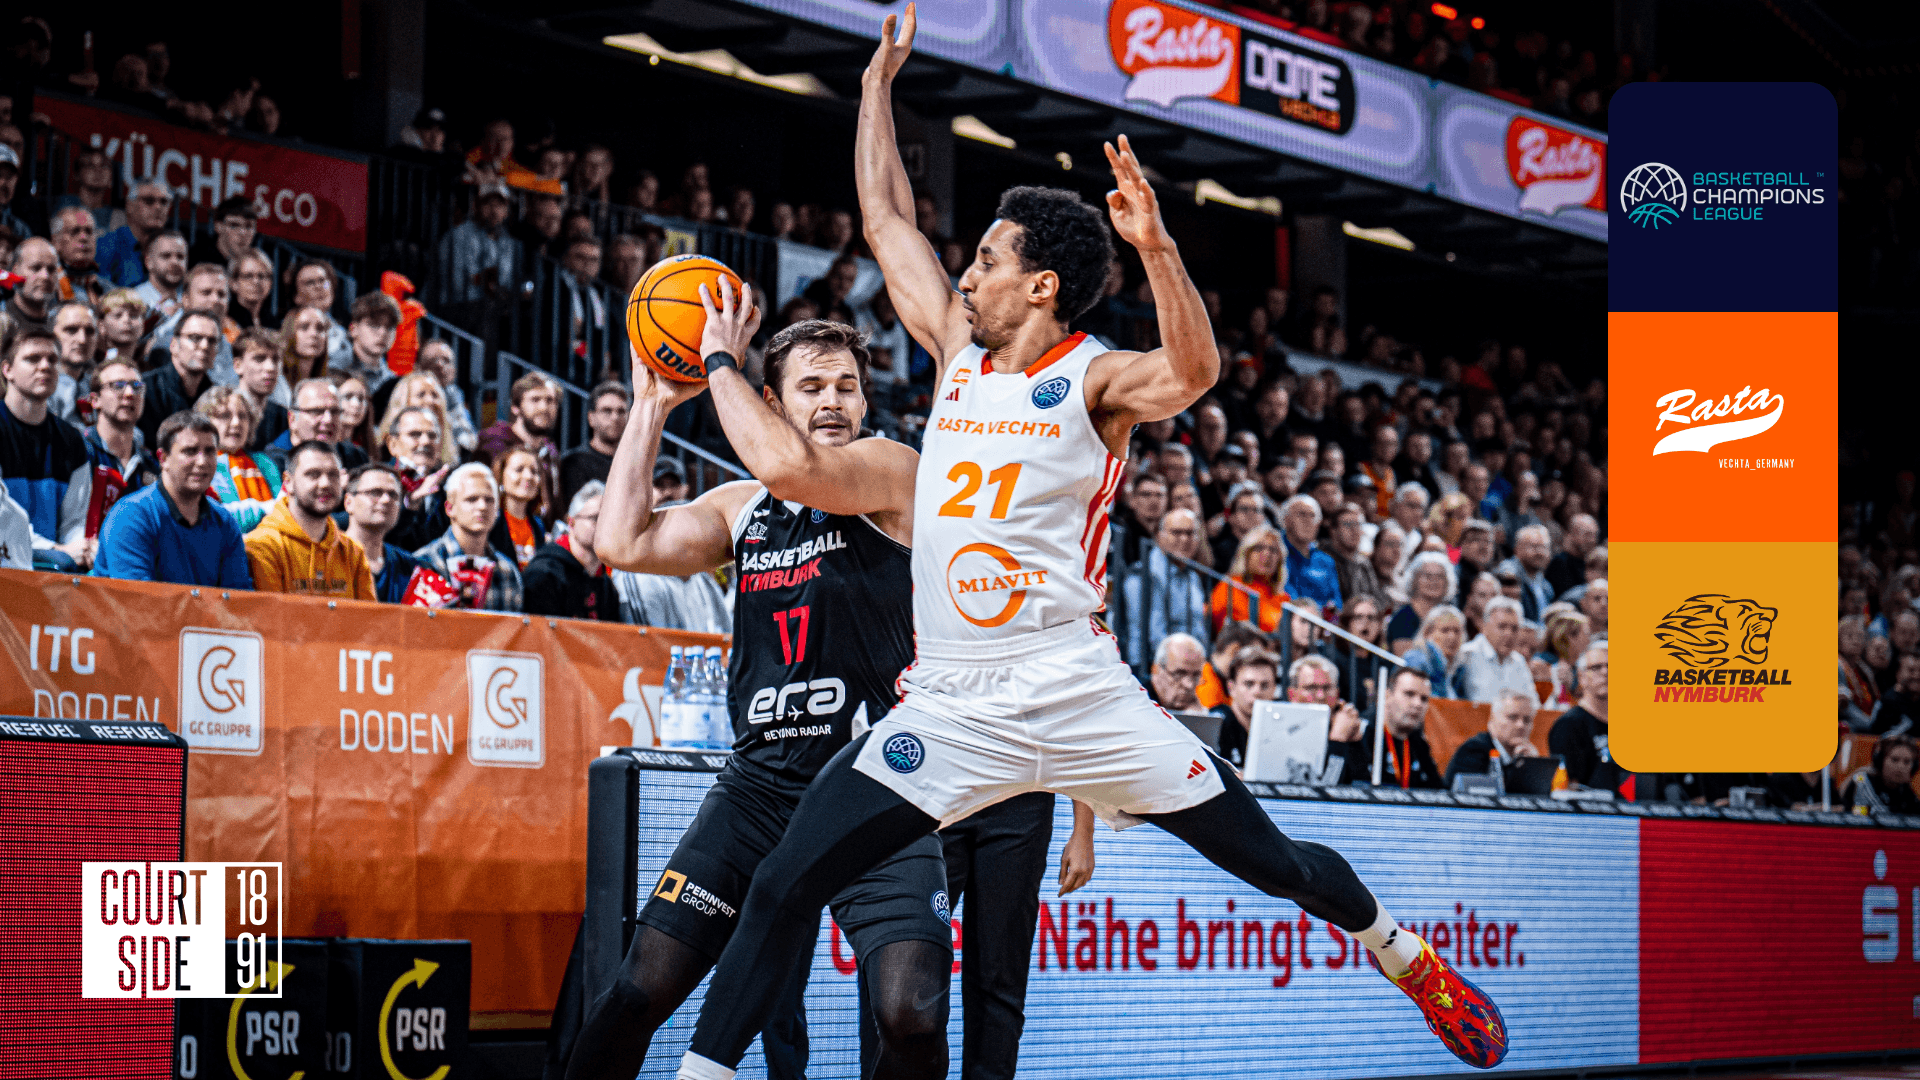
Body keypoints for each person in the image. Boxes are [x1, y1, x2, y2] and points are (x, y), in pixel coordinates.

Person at [659, 16, 1508, 1079]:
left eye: (986, 261)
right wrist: (875, 87)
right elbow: (885, 219)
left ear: (1041, 285)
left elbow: (1192, 373)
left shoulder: (1095, 380)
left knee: (1276, 863)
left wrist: (1158, 250)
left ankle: (1402, 953)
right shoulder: (955, 353)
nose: (966, 275)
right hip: (955, 703)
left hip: (1076, 691)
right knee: (784, 882)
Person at [567, 316, 961, 1080]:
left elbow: (791, 469)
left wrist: (719, 359)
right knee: (638, 990)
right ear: (773, 404)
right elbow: (621, 542)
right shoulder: (741, 508)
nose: (834, 400)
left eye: (847, 386)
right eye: (811, 387)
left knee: (911, 1014)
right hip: (758, 791)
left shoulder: (893, 471)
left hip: (874, 788)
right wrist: (652, 403)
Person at [92, 412, 253, 587]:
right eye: (190, 451)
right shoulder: (130, 517)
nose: (202, 461)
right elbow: (137, 599)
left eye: (210, 451)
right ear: (163, 458)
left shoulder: (225, 522)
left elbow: (238, 598)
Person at [0, 327, 92, 569]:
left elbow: (74, 521)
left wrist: (79, 547)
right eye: (33, 359)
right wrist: (57, 550)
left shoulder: (71, 439)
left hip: (53, 570)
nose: (45, 366)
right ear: (7, 370)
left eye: (52, 359)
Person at [244, 441, 376, 599]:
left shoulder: (353, 552)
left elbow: (368, 614)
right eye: (313, 474)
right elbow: (271, 614)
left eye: (333, 475)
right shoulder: (261, 546)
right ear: (288, 482)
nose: (325, 483)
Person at [412, 463, 522, 612]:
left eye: (489, 500)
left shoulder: (507, 569)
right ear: (450, 508)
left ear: (497, 510)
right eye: (471, 499)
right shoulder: (424, 563)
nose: (482, 506)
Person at [1116, 507, 1210, 671]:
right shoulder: (1142, 575)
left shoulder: (1193, 577)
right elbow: (1154, 637)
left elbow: (1199, 628)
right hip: (1153, 669)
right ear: (1159, 536)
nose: (1184, 539)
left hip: (1192, 666)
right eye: (1176, 532)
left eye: (1190, 533)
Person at [1329, 666, 1443, 789]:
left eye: (1424, 699)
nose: (1418, 704)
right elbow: (1331, 786)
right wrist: (1337, 742)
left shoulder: (1418, 743)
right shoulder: (1359, 732)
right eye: (1409, 694)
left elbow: (1439, 791)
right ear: (1387, 695)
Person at [522, 481, 618, 621]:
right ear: (571, 522)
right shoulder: (543, 574)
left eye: (611, 520)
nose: (605, 526)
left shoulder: (607, 585)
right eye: (596, 518)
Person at [1547, 644, 1629, 796]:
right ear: (1581, 677)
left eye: (1611, 666)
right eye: (1596, 667)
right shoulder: (1568, 725)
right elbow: (1570, 789)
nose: (1605, 672)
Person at [196, 387, 281, 532]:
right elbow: (211, 519)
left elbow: (284, 510)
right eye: (225, 415)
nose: (236, 423)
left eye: (243, 416)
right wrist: (263, 509)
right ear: (205, 423)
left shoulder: (265, 463)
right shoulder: (198, 465)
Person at [341, 463, 427, 604]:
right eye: (375, 492)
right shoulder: (324, 559)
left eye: (393, 495)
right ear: (349, 502)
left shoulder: (414, 569)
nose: (386, 500)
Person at [138, 308, 222, 447]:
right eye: (195, 338)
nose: (204, 346)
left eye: (212, 341)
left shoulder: (217, 397)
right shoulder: (145, 389)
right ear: (174, 345)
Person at [83, 360, 159, 500]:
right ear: (95, 400)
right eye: (117, 385)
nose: (130, 393)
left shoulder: (151, 465)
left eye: (137, 386)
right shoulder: (79, 452)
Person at [478, 371, 560, 494]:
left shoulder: (550, 450)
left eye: (550, 400)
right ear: (515, 407)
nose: (543, 407)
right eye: (535, 399)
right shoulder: (494, 444)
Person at [267, 378, 369, 473]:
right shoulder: (271, 465)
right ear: (292, 419)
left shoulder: (356, 457)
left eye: (334, 411)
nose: (328, 420)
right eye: (317, 411)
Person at [1444, 689, 1541, 787]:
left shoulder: (1525, 754)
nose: (1520, 725)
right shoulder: (1474, 750)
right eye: (1512, 717)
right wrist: (1520, 769)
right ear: (1492, 719)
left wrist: (1532, 766)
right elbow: (1486, 792)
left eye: (1527, 720)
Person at [561, 382, 630, 510]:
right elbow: (574, 514)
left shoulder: (633, 462)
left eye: (621, 411)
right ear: (591, 418)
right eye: (607, 411)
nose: (615, 417)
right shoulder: (574, 463)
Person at [1211, 646, 1280, 768]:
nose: (1257, 692)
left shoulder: (1280, 729)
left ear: (1274, 690)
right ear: (1231, 688)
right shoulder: (1215, 723)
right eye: (1249, 684)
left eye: (1265, 685)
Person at [1456, 595, 1533, 704]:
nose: (1508, 634)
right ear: (1484, 627)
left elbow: (1533, 704)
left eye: (1514, 628)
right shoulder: (1466, 655)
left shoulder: (1519, 661)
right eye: (1502, 627)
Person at [94, 180, 172, 287]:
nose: (158, 207)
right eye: (149, 201)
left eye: (164, 202)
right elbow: (99, 290)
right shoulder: (106, 245)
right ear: (130, 206)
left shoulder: (172, 249)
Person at [1278, 491, 1343, 615]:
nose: (1308, 521)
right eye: (1301, 514)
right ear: (1286, 520)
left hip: (1323, 623)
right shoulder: (1276, 553)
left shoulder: (1326, 561)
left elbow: (1336, 604)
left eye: (1312, 516)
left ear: (1318, 525)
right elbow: (1288, 598)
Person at [489, 445, 549, 569]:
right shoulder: (491, 522)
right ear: (501, 476)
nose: (528, 476)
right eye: (519, 469)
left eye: (534, 471)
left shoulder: (538, 525)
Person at [1388, 550, 1456, 654]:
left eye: (1440, 576)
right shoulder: (1403, 618)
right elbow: (1406, 658)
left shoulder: (1450, 616)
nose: (1434, 581)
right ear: (1414, 580)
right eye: (1428, 576)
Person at [232, 330, 289, 449]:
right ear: (238, 365)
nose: (271, 367)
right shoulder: (220, 412)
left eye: (276, 359)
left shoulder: (283, 416)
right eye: (259, 359)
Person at [335, 291, 401, 395]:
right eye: (374, 325)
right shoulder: (334, 367)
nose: (383, 333)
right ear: (353, 329)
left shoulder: (394, 382)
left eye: (390, 327)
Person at [1842, 734, 1920, 816]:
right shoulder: (1862, 782)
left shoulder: (1907, 792)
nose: (1900, 767)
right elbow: (1855, 817)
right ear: (1880, 761)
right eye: (1894, 760)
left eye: (1907, 762)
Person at [1404, 604, 1468, 701]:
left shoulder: (1459, 669)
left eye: (1457, 631)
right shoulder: (1417, 660)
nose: (1452, 637)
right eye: (1445, 630)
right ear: (1427, 633)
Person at [187, 196, 257, 271]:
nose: (243, 233)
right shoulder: (196, 259)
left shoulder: (256, 263)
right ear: (218, 227)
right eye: (234, 225)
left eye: (249, 226)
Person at [131, 231, 188, 321]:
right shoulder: (133, 300)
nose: (175, 262)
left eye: (180, 257)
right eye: (166, 256)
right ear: (148, 262)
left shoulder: (195, 299)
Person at [1148, 632, 1207, 711]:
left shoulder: (1197, 707)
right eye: (1179, 674)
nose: (1189, 685)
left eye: (1196, 676)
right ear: (1156, 670)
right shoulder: (1136, 703)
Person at [280, 305, 334, 386]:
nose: (314, 334)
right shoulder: (276, 380)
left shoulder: (330, 384)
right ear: (289, 333)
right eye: (304, 327)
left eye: (320, 328)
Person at [228, 249, 276, 331]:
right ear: (233, 283)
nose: (256, 282)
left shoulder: (275, 324)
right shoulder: (225, 319)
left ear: (270, 283)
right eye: (248, 276)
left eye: (261, 276)